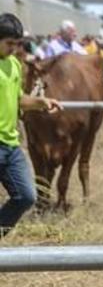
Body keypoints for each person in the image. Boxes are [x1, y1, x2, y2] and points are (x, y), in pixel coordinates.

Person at [0, 13, 62, 238]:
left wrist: (41, 103)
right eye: (9, 44)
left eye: (17, 44)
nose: (14, 49)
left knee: (26, 196)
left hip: (10, 145)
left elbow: (19, 99)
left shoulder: (15, 65)